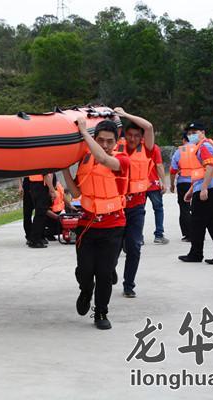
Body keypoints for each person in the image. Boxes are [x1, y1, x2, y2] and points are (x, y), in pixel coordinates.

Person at [62, 118, 130, 329]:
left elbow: (102, 158)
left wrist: (84, 132)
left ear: (116, 142)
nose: (105, 145)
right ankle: (85, 290)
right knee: (84, 271)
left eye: (110, 141)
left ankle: (101, 312)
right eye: (100, 140)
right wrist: (64, 169)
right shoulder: (85, 160)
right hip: (87, 226)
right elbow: (76, 193)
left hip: (113, 226)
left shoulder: (122, 160)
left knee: (104, 273)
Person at [113, 107, 155, 298]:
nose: (132, 139)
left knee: (134, 247)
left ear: (141, 138)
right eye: (129, 135)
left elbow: (149, 126)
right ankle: (110, 270)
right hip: (116, 207)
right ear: (124, 135)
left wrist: (126, 115)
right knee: (113, 247)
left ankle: (128, 285)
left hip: (136, 207)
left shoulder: (147, 150)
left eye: (137, 136)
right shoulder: (116, 148)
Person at [178, 122, 213, 265]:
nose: (191, 135)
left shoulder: (203, 146)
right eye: (189, 133)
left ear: (203, 132)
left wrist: (204, 188)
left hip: (208, 191)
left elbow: (209, 167)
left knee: (197, 223)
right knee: (212, 223)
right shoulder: (201, 146)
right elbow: (200, 173)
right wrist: (191, 191)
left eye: (194, 132)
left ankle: (196, 254)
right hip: (210, 189)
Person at [169, 133, 193, 242]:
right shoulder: (198, 149)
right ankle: (199, 232)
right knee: (197, 208)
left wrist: (172, 184)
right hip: (197, 182)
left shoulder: (179, 152)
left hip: (183, 183)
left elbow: (173, 170)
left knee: (184, 208)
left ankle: (188, 234)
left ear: (184, 140)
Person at [145, 144, 169, 244]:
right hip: (153, 184)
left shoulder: (134, 146)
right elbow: (159, 165)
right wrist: (164, 182)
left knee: (138, 212)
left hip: (138, 185)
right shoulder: (154, 148)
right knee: (158, 209)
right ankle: (159, 235)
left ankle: (138, 237)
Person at [27, 174, 57, 248]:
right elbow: (46, 175)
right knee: (40, 214)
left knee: (39, 214)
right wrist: (52, 190)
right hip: (40, 186)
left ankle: (35, 238)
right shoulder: (42, 166)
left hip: (33, 185)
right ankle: (35, 240)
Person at [19, 177, 34, 245]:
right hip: (28, 182)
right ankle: (29, 236)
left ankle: (40, 235)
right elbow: (18, 172)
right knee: (27, 212)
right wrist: (20, 185)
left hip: (40, 182)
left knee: (40, 211)